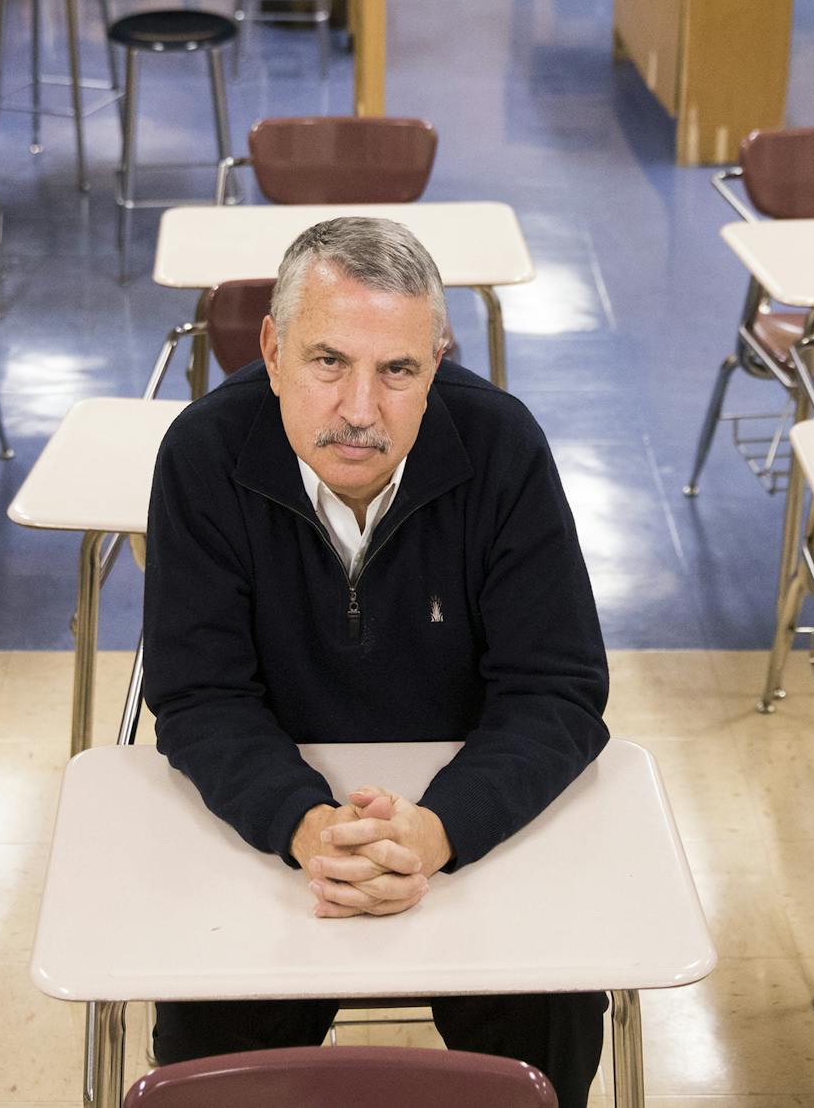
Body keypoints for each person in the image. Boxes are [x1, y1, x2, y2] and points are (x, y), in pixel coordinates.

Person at [142, 216, 610, 1107]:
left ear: (437, 361)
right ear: (271, 350)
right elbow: (200, 696)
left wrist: (438, 830)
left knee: (548, 1022)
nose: (361, 409)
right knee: (211, 1045)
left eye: (398, 370)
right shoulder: (202, 455)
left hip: (465, 807)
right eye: (328, 361)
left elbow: (558, 690)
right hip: (277, 818)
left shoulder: (503, 447)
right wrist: (305, 826)